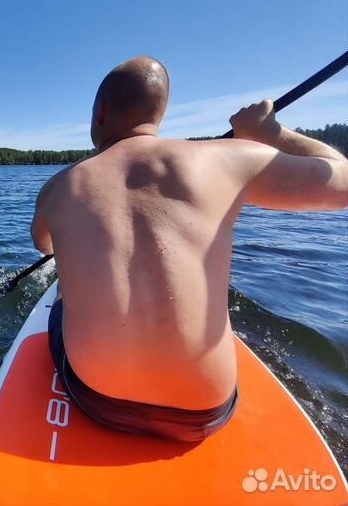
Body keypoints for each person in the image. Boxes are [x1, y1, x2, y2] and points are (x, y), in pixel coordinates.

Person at [31, 56, 348, 441]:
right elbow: (342, 181)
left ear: (99, 113)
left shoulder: (59, 186)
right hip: (204, 413)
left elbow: (43, 244)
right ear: (159, 113)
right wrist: (269, 132)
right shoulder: (224, 158)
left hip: (96, 399)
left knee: (64, 282)